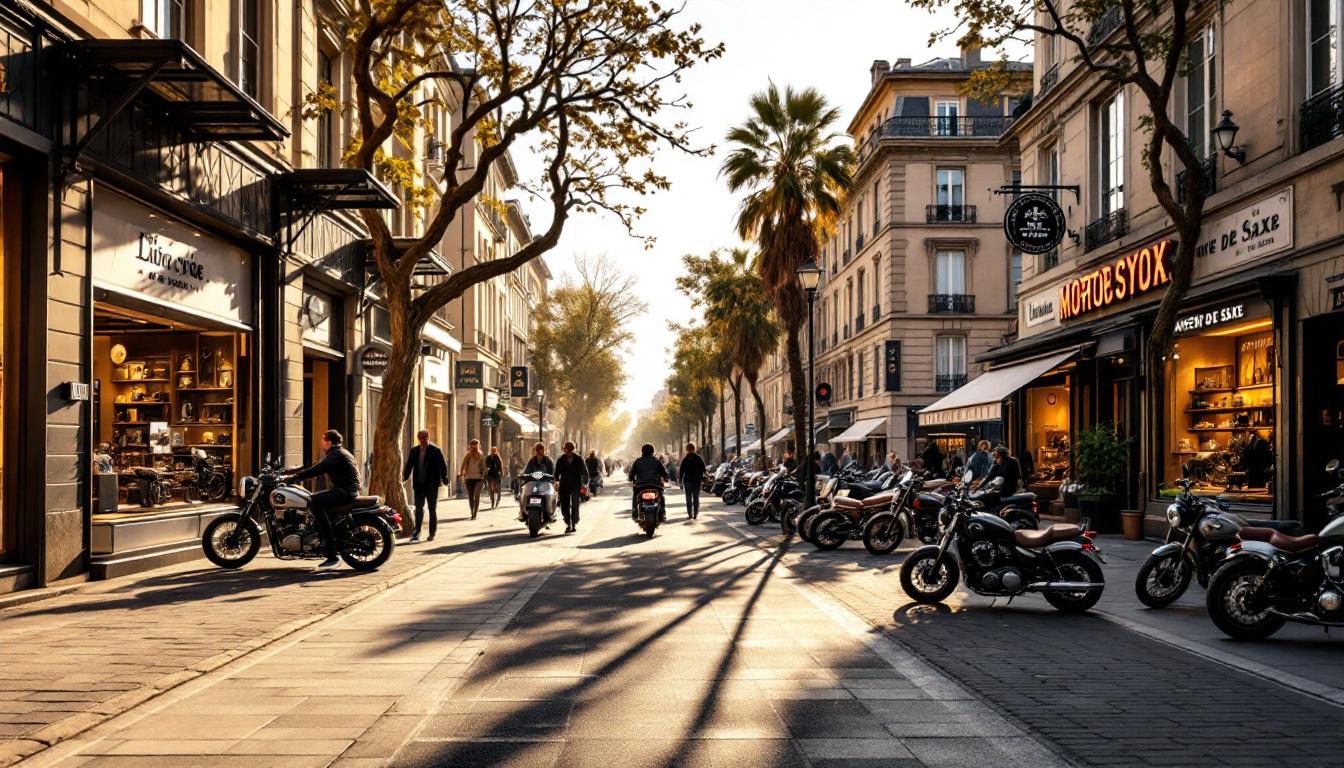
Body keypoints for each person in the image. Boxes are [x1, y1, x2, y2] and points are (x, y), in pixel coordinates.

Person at [285, 430, 360, 568]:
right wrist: (288, 472)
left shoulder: (336, 455)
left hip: (344, 492)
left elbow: (318, 469)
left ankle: (331, 554)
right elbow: (315, 467)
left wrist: (295, 478)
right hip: (345, 490)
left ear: (328, 442)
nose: (321, 443)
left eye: (323, 440)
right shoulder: (339, 453)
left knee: (313, 502)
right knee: (314, 500)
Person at [402, 429, 448, 542]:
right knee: (418, 508)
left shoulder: (435, 450)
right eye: (421, 437)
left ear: (428, 437)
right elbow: (409, 466)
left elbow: (443, 465)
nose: (423, 440)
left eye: (425, 437)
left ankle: (432, 532)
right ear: (418, 438)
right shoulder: (414, 451)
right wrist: (404, 478)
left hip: (431, 484)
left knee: (432, 509)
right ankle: (417, 532)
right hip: (419, 484)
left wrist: (444, 479)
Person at [627, 443, 670, 521]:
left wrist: (631, 478)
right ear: (653, 452)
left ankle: (635, 512)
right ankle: (662, 512)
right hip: (655, 485)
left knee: (636, 495)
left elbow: (631, 473)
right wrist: (666, 479)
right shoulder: (657, 461)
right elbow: (665, 473)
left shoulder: (637, 461)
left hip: (641, 485)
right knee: (661, 495)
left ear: (642, 452)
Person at [554, 441, 589, 533]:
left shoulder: (579, 459)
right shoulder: (561, 459)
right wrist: (556, 481)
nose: (568, 452)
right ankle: (567, 523)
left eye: (570, 450)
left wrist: (585, 483)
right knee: (564, 505)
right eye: (566, 450)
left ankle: (573, 523)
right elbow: (556, 473)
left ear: (573, 449)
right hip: (564, 485)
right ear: (564, 450)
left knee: (575, 504)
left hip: (576, 485)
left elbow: (585, 472)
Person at [520, 442, 555, 521]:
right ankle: (523, 512)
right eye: (538, 450)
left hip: (545, 482)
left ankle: (549, 513)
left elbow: (552, 471)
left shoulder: (548, 460)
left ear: (544, 451)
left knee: (549, 495)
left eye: (542, 450)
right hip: (532, 482)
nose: (540, 452)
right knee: (524, 494)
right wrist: (525, 476)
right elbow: (527, 471)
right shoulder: (532, 460)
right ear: (536, 451)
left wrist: (551, 477)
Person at [458, 439, 487, 520]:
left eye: (476, 444)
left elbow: (484, 466)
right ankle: (472, 512)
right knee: (471, 497)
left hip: (479, 479)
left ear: (479, 445)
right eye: (473, 444)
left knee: (476, 497)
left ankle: (475, 513)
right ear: (470, 446)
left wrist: (484, 474)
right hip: (469, 478)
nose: (474, 446)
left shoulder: (481, 455)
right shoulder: (468, 455)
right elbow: (463, 464)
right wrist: (461, 473)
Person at [679, 442, 707, 519]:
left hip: (687, 481)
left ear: (687, 450)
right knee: (696, 497)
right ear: (694, 449)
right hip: (697, 481)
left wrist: (680, 482)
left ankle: (690, 514)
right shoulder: (698, 458)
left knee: (688, 498)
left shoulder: (685, 459)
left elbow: (681, 471)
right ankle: (695, 514)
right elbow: (704, 469)